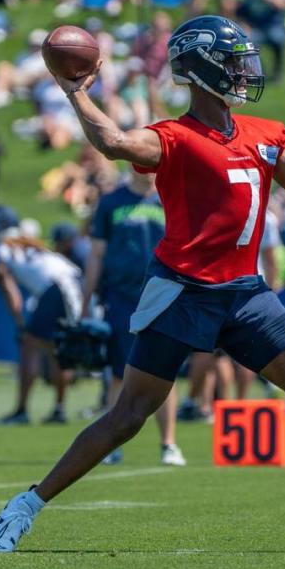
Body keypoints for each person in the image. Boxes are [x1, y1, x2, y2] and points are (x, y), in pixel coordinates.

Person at [0, 15, 285, 556]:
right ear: (202, 69)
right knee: (127, 418)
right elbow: (115, 142)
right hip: (184, 289)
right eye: (233, 61)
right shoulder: (175, 138)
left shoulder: (264, 134)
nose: (243, 71)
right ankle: (26, 505)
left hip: (245, 292)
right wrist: (76, 95)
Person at [80, 168, 185, 466]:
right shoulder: (112, 202)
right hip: (121, 297)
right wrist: (87, 298)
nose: (151, 173)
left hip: (165, 294)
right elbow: (97, 253)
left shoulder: (171, 199)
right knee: (118, 371)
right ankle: (110, 445)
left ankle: (169, 444)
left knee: (165, 370)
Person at [0, 206, 83, 426]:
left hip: (56, 289)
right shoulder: (25, 238)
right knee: (57, 350)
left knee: (31, 345)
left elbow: (9, 290)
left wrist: (19, 323)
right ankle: (58, 409)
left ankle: (22, 411)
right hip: (72, 284)